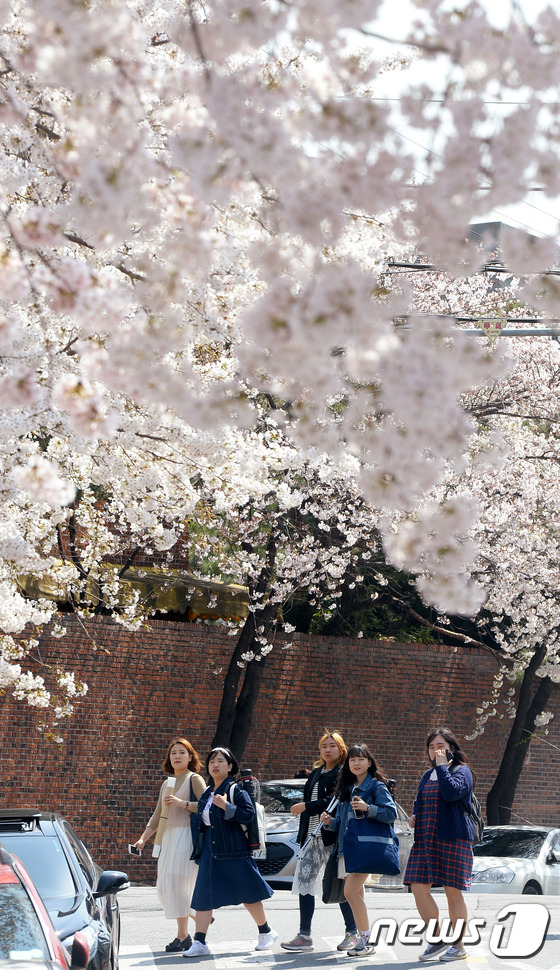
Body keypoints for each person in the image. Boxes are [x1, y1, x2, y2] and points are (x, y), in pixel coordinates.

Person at [184, 746, 277, 959]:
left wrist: (227, 806)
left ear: (230, 766)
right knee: (203, 897)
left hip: (234, 850)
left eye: (220, 761)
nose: (215, 765)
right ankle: (199, 941)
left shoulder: (235, 789)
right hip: (211, 850)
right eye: (212, 761)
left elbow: (248, 815)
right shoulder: (208, 792)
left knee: (248, 893)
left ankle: (266, 932)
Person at [281, 731, 359, 953]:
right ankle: (304, 936)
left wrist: (306, 806)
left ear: (341, 749)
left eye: (332, 745)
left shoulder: (344, 772)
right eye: (324, 745)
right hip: (312, 836)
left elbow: (333, 800)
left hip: (332, 834)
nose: (327, 749)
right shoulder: (316, 773)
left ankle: (352, 933)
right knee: (305, 882)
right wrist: (303, 831)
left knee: (341, 882)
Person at [404, 727, 475, 963]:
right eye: (432, 747)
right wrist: (415, 816)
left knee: (452, 891)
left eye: (441, 746)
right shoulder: (427, 775)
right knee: (417, 887)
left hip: (452, 837)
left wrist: (443, 767)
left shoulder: (461, 771)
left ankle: (458, 945)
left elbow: (452, 793)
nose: (436, 750)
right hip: (426, 838)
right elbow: (421, 800)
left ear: (451, 748)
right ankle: (437, 937)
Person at [321, 742, 397, 958]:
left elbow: (390, 813)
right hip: (349, 847)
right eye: (352, 760)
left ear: (369, 762)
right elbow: (346, 822)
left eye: (361, 759)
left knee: (350, 892)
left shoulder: (376, 787)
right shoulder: (349, 787)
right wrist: (330, 822)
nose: (356, 763)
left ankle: (366, 939)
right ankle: (362, 937)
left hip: (365, 848)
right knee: (357, 894)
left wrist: (368, 808)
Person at [133, 737, 205, 952]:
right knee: (164, 887)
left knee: (176, 884)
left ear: (190, 756)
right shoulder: (167, 783)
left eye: (182, 752)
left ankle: (183, 936)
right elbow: (157, 815)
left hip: (187, 836)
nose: (177, 756)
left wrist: (182, 804)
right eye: (174, 752)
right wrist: (143, 838)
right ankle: (197, 914)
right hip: (168, 838)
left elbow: (206, 806)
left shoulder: (195, 779)